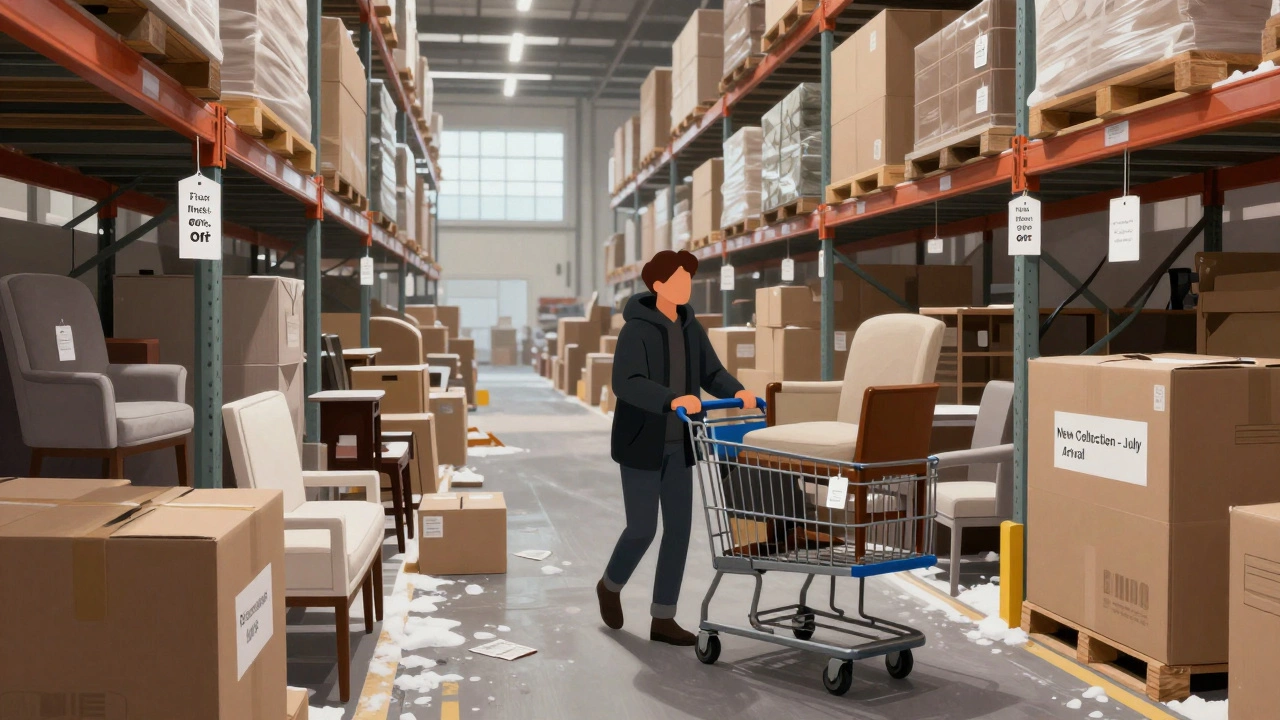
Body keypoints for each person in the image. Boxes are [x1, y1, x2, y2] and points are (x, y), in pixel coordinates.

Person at [597, 250, 757, 646]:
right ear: (658, 285)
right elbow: (627, 382)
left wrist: (738, 391)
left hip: (682, 442)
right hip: (641, 444)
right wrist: (671, 398)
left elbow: (711, 372)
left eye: (689, 279)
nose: (686, 286)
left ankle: (663, 618)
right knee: (642, 528)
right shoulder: (636, 330)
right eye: (680, 280)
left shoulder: (690, 326)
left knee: (679, 532)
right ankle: (610, 584)